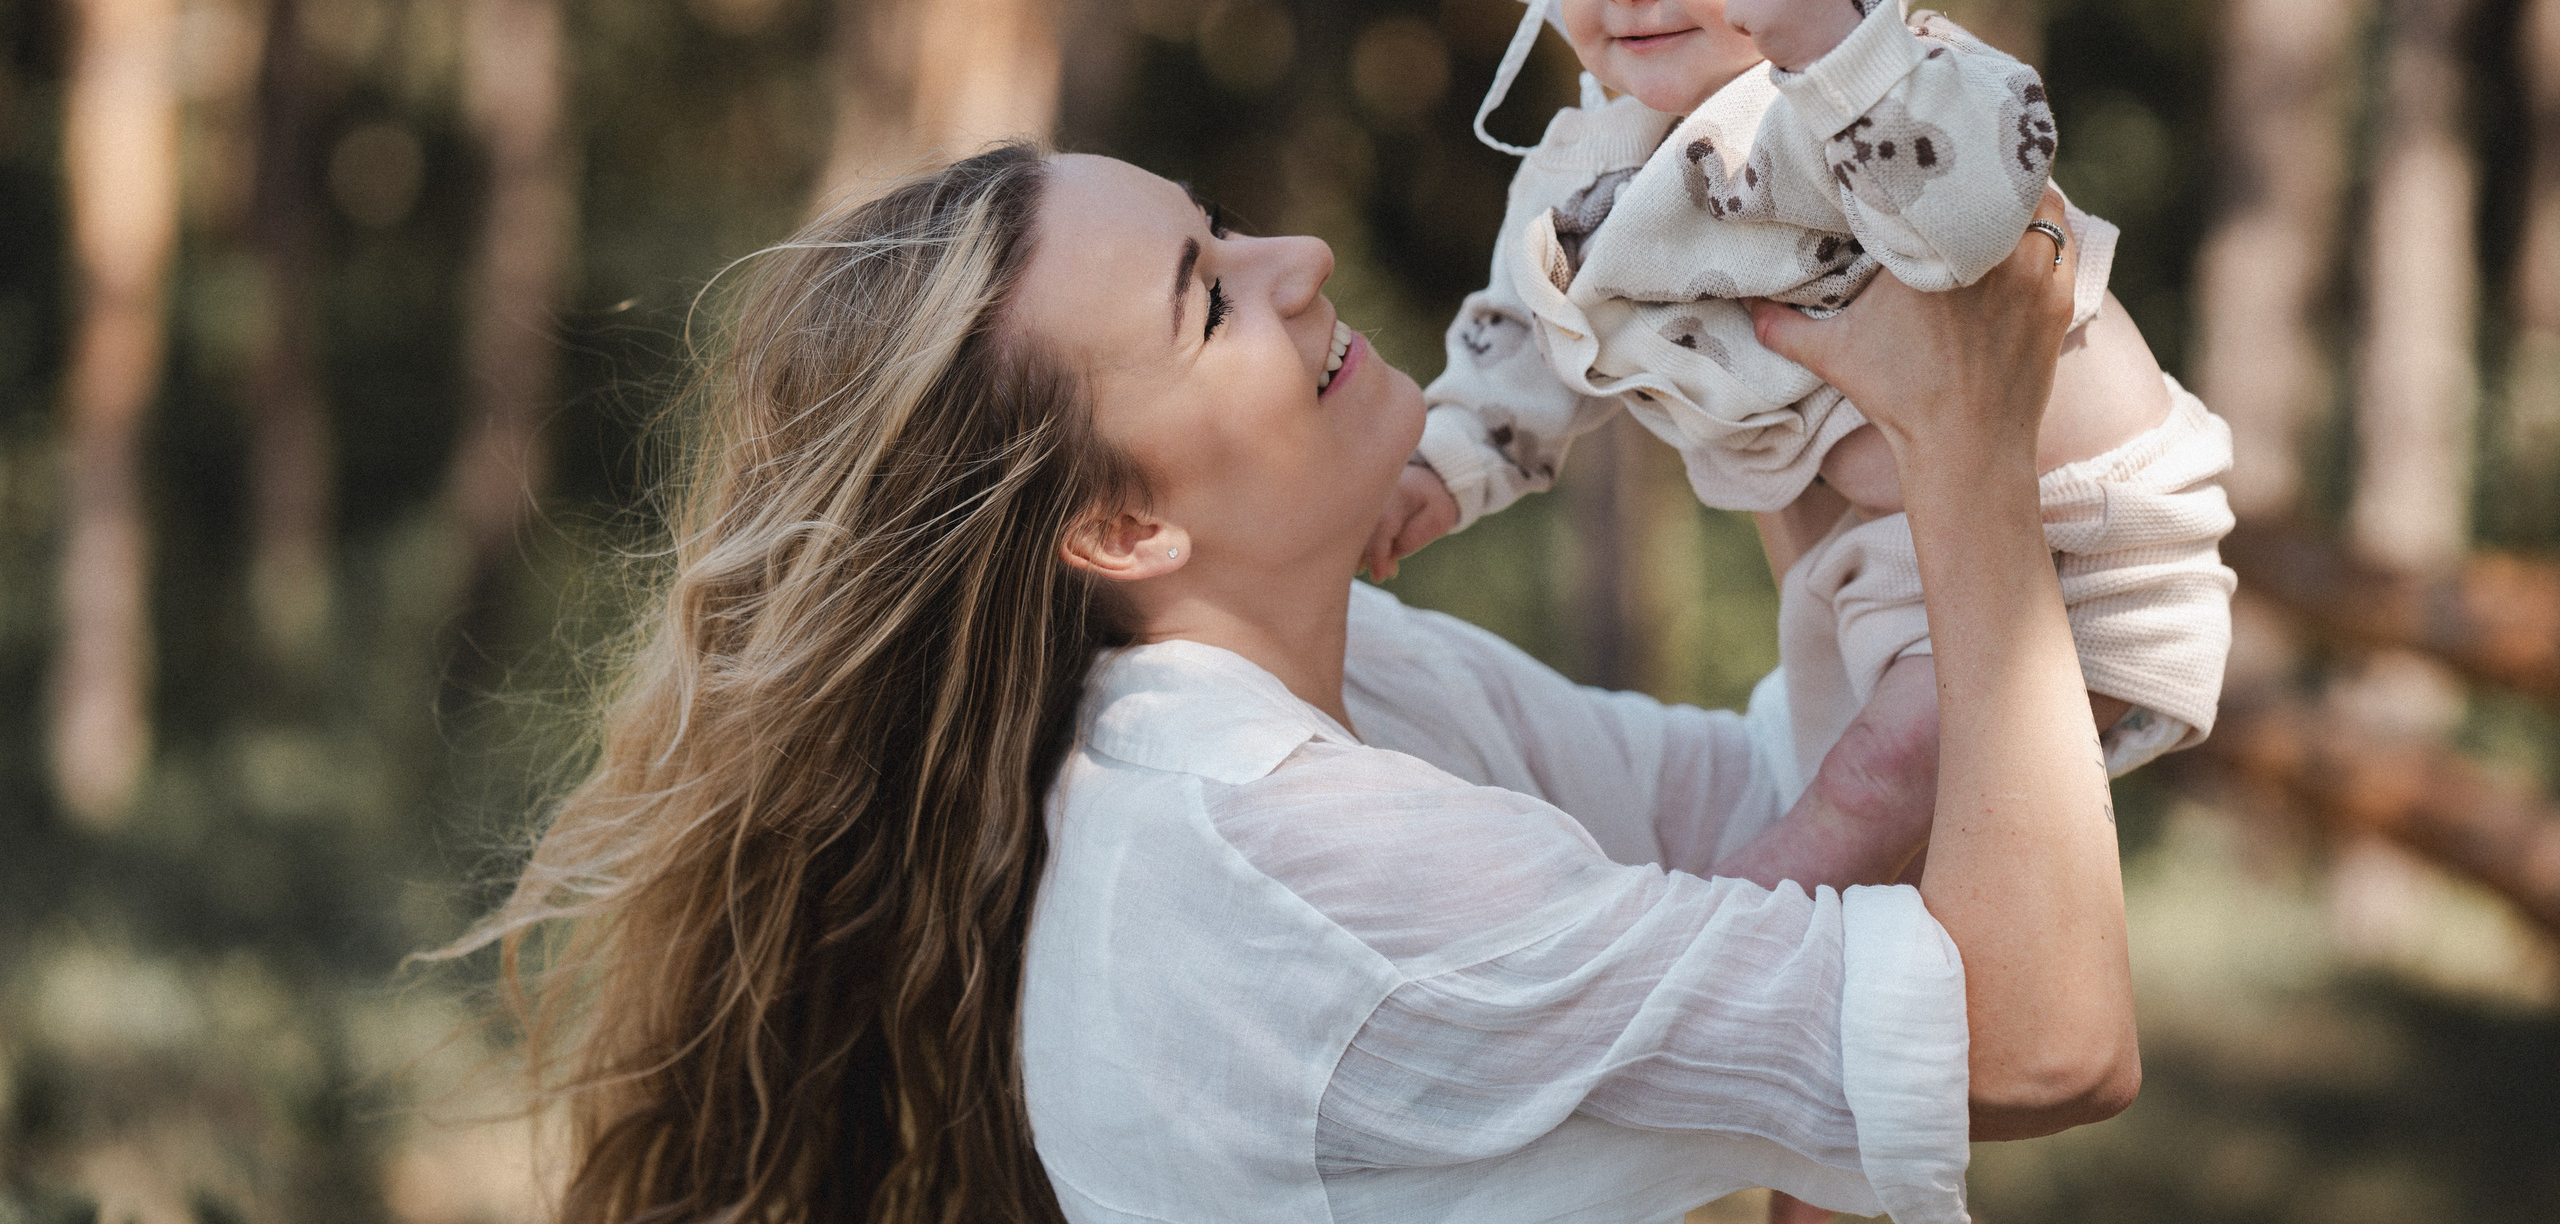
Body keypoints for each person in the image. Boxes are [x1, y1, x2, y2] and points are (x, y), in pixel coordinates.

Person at [458, 143, 2139, 1224]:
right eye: (1210, 298)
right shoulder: (1301, 867)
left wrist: (1780, 411)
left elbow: (1844, 800)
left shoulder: (1338, 691)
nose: (1304, 254)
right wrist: (1965, 455)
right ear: (1117, 521)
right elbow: (2047, 1038)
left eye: (1218, 223)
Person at [1366, 0, 2235, 796]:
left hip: (2087, 529)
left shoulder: (1903, 79)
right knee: (1899, 814)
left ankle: (1748, 916)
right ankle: (1827, 931)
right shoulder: (1584, 182)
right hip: (1887, 567)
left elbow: (1976, 225)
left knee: (1870, 796)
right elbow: (1526, 344)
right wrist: (1439, 468)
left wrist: (1836, 49)